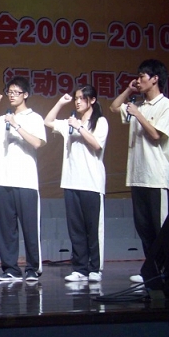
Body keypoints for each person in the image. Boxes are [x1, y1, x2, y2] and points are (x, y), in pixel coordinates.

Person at [0, 76, 47, 282]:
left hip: (26, 182)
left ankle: (33, 268)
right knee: (5, 230)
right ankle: (11, 269)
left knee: (30, 228)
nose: (12, 96)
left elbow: (38, 143)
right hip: (3, 180)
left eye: (16, 92)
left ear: (26, 94)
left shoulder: (34, 118)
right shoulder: (2, 119)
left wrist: (16, 125)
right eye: (10, 92)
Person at [109, 59, 169, 284]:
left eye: (142, 77)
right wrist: (129, 91)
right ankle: (151, 269)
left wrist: (138, 114)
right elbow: (114, 107)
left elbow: (156, 135)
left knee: (160, 227)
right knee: (143, 227)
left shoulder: (166, 105)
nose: (138, 80)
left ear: (155, 79)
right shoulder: (139, 104)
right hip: (137, 175)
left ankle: (166, 270)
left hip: (156, 176)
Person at [43, 85, 108, 283]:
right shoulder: (70, 122)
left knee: (92, 228)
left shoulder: (100, 122)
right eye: (76, 98)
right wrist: (60, 103)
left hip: (92, 183)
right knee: (76, 229)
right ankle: (80, 268)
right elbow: (48, 121)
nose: (77, 101)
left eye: (82, 98)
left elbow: (97, 145)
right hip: (71, 182)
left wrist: (79, 127)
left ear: (92, 100)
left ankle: (95, 268)